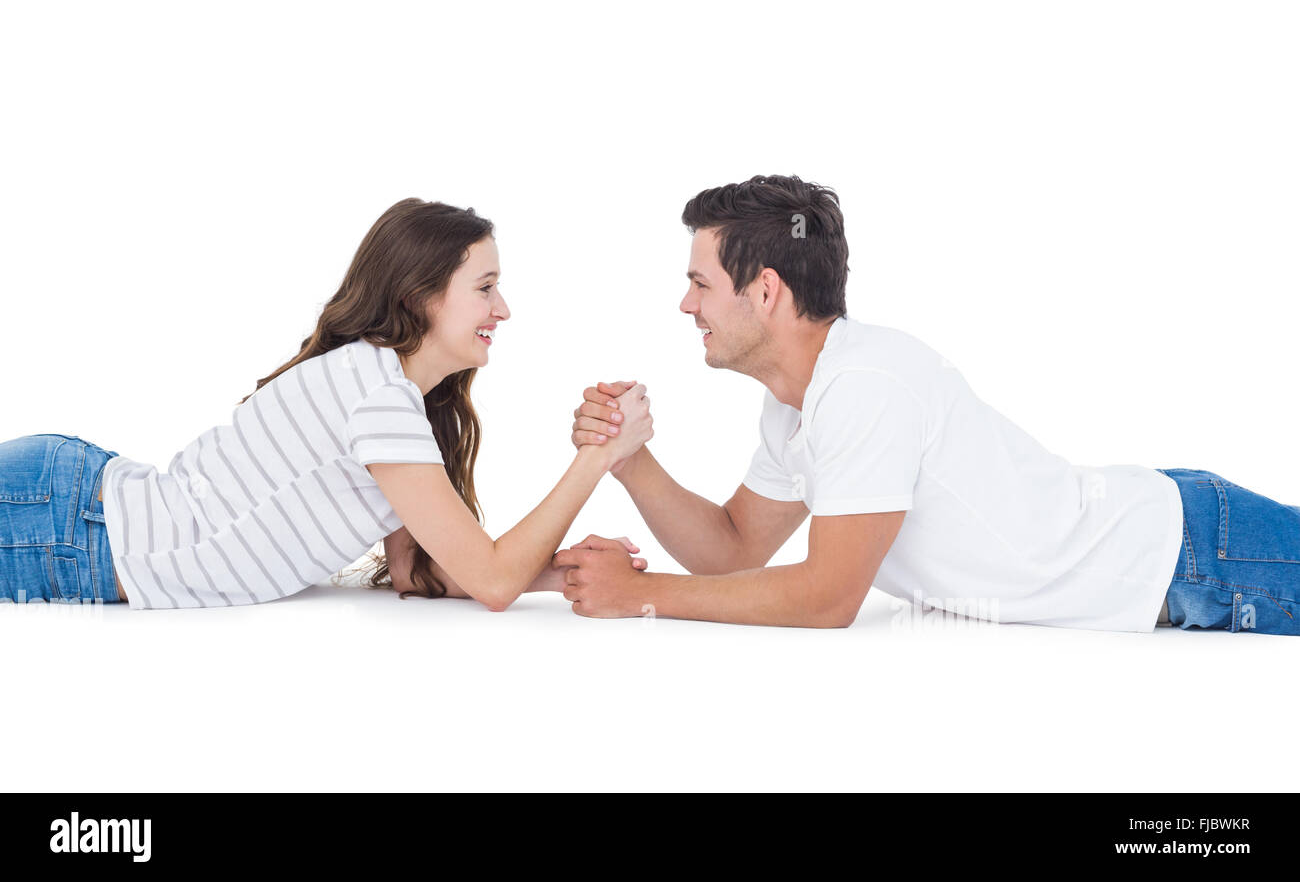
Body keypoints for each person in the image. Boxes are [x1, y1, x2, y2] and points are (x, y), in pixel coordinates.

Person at [558, 174, 1300, 635]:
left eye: (701, 282)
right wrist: (632, 462)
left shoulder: (867, 385)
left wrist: (641, 595)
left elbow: (826, 599)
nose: (685, 303)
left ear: (765, 290)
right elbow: (734, 551)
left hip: (1192, 554)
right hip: (1176, 547)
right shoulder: (797, 404)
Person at [0, 198, 652, 609]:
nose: (503, 310)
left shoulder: (396, 404)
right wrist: (597, 458)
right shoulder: (379, 400)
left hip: (72, 519)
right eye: (485, 288)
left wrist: (562, 571)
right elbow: (491, 582)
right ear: (419, 296)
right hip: (67, 524)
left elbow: (418, 570)